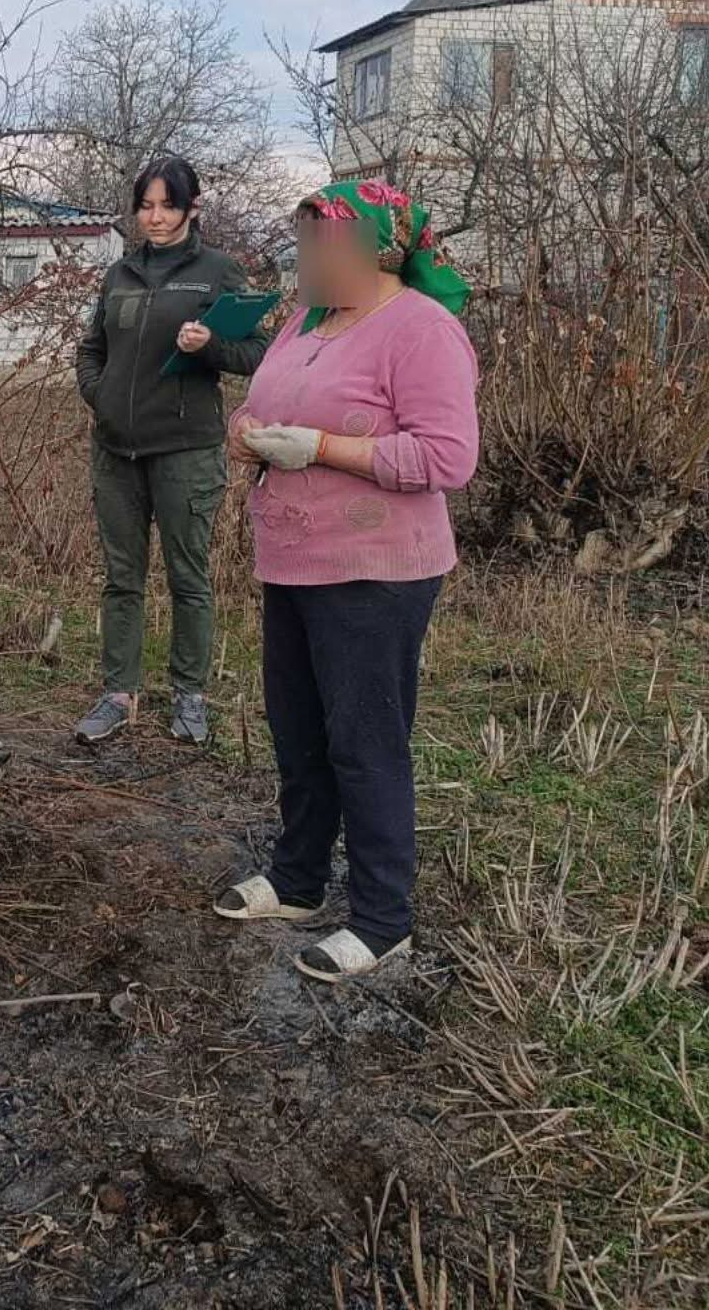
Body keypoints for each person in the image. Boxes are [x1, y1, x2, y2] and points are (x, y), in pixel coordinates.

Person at [212, 179, 477, 983]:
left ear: (376, 249)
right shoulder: (306, 319)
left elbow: (447, 458)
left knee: (365, 743)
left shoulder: (422, 330)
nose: (306, 260)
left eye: (320, 245)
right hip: (293, 559)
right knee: (297, 729)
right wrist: (248, 434)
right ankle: (296, 881)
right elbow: (264, 401)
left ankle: (382, 917)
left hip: (375, 571)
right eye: (303, 244)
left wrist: (322, 449)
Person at [73, 156, 269, 748]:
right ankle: (118, 694)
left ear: (192, 208)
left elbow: (257, 352)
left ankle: (190, 695)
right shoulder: (121, 274)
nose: (155, 218)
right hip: (116, 452)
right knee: (121, 578)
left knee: (188, 576)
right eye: (146, 206)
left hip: (186, 451)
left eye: (168, 206)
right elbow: (91, 349)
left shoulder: (217, 273)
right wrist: (101, 398)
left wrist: (211, 345)